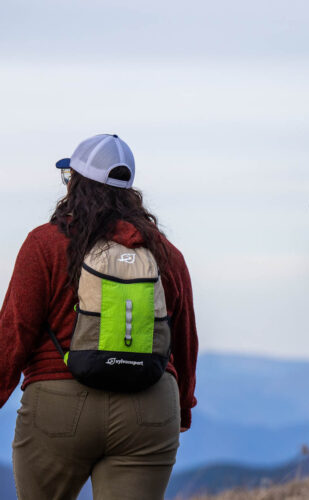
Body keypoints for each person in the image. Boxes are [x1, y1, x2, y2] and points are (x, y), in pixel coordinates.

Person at [0, 134, 198, 499]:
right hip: (150, 407)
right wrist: (183, 407)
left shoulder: (45, 244)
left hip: (58, 407)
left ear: (73, 183)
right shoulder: (165, 253)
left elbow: (14, 332)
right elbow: (183, 340)